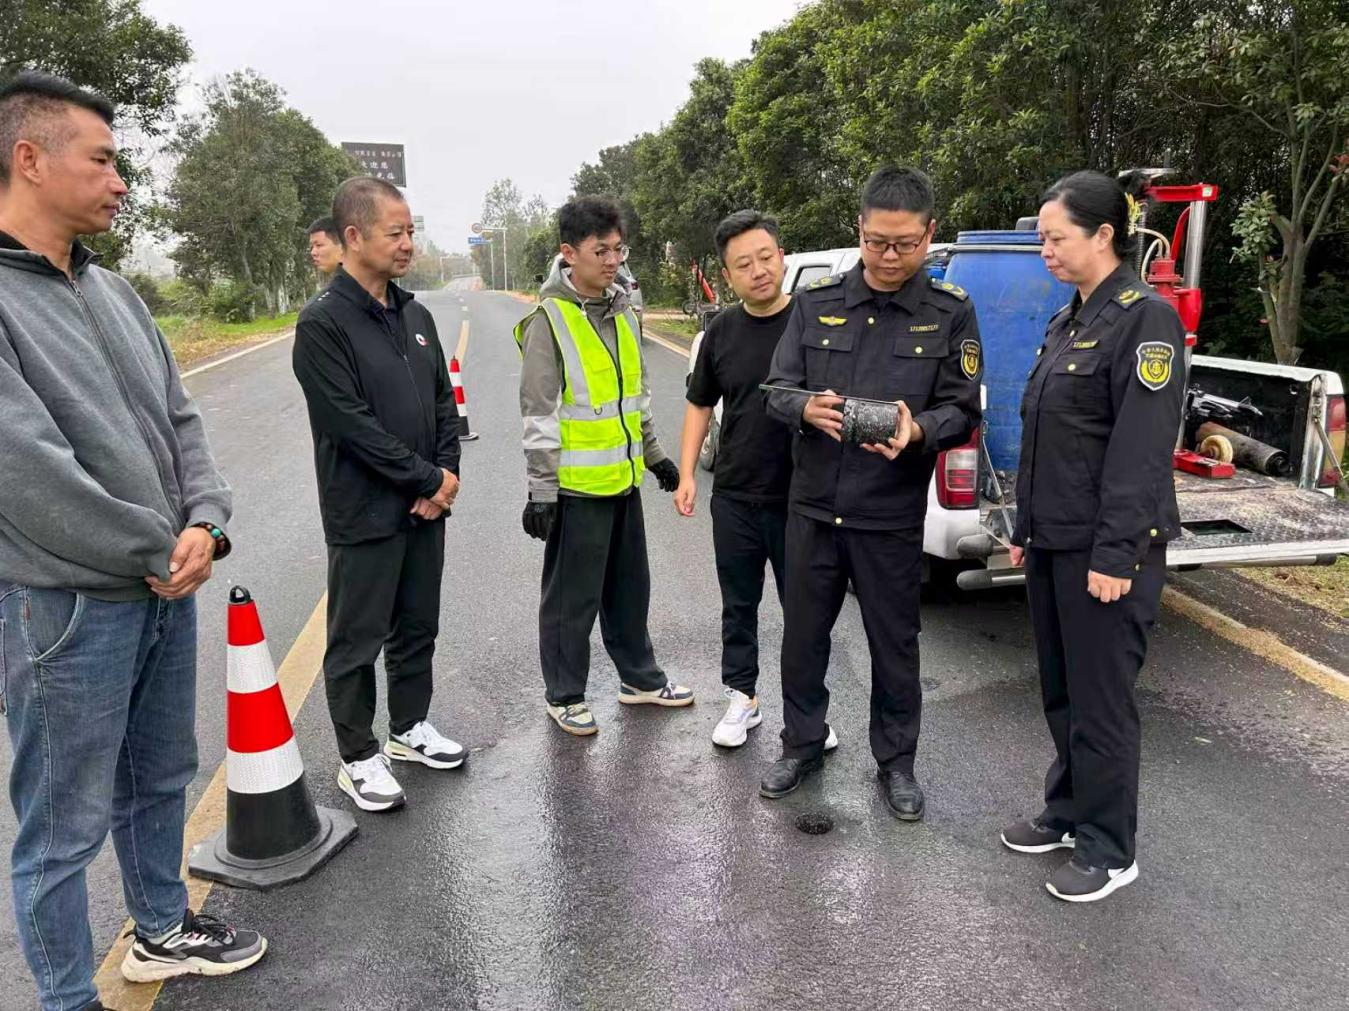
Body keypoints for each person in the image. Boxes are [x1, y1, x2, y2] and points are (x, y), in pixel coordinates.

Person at [0, 71, 265, 1010]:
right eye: (104, 160)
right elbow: (27, 469)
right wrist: (162, 547)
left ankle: (159, 928)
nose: (121, 182)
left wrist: (207, 523)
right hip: (66, 605)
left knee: (160, 775)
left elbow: (180, 420)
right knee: (60, 825)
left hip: (162, 587)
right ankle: (67, 995)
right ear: (30, 159)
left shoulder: (113, 290)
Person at [761, 166, 982, 817]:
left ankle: (896, 763)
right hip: (813, 511)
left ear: (929, 234)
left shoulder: (949, 312)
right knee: (803, 638)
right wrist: (804, 409)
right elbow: (775, 391)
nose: (889, 256)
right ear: (858, 229)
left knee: (895, 645)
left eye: (905, 244)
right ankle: (801, 744)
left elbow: (962, 409)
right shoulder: (815, 302)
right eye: (877, 242)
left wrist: (919, 430)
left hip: (889, 515)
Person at [1001, 170, 1184, 902]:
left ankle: (1110, 849)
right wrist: (1024, 526)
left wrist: (1116, 554)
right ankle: (1069, 812)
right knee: (1062, 690)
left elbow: (1140, 450)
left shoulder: (1145, 320)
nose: (1045, 250)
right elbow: (1046, 434)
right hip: (1054, 539)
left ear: (1104, 234)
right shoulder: (1068, 320)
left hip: (1105, 550)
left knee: (1101, 701)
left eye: (1056, 237)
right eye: (1042, 239)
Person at [293, 176, 465, 813]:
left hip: (425, 508)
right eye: (396, 233)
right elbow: (350, 425)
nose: (408, 243)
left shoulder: (415, 315)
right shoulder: (322, 324)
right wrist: (427, 480)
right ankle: (358, 756)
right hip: (365, 512)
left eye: (411, 231)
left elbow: (444, 403)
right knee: (357, 638)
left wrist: (444, 476)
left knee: (418, 625)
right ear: (354, 237)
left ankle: (410, 728)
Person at [514, 195, 693, 736]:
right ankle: (564, 694)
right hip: (575, 491)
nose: (613, 261)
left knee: (629, 591)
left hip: (622, 482)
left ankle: (639, 680)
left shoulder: (624, 312)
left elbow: (634, 398)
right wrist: (541, 492)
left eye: (619, 249)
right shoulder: (549, 321)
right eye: (601, 251)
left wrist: (655, 456)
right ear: (569, 253)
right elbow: (539, 413)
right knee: (572, 601)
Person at [675, 210, 834, 755]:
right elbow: (700, 404)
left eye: (766, 257)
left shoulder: (814, 323)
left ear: (782, 256)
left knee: (805, 611)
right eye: (743, 264)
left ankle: (808, 713)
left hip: (802, 498)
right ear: (727, 275)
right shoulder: (720, 331)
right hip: (736, 495)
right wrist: (687, 474)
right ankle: (742, 696)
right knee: (738, 604)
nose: (758, 271)